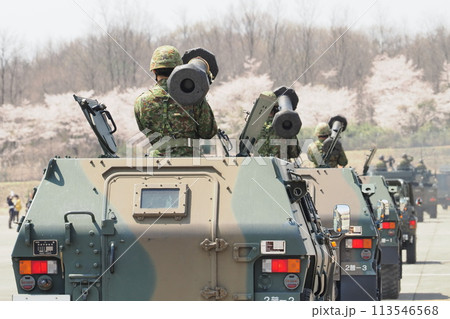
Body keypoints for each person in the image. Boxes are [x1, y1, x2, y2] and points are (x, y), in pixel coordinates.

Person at [134, 45, 217, 157]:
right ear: (179, 68)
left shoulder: (141, 101)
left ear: (153, 70)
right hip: (192, 164)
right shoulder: (193, 95)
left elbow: (144, 129)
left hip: (157, 165)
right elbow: (208, 132)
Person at [257, 91, 301, 160]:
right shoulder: (285, 125)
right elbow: (294, 153)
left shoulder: (253, 126)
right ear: (276, 106)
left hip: (258, 167)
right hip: (281, 168)